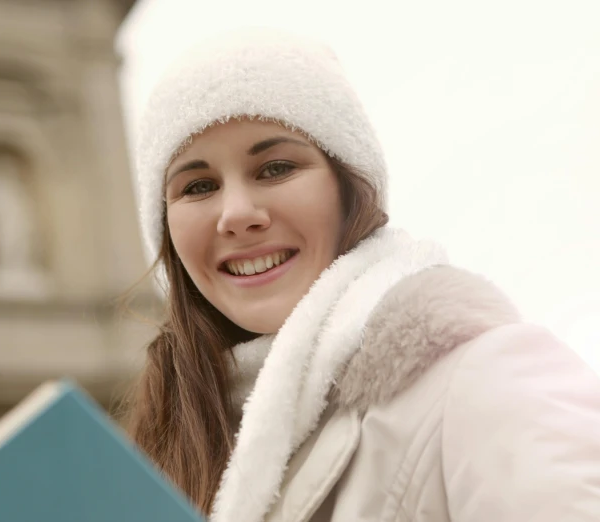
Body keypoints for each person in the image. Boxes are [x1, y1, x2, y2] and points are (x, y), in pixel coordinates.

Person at [124, 28, 600, 522]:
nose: (237, 213)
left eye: (275, 168)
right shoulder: (175, 447)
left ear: (349, 188)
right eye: (198, 186)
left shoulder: (480, 379)